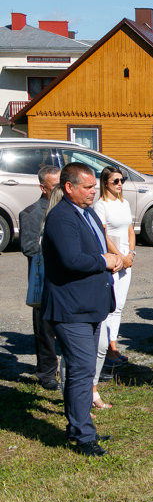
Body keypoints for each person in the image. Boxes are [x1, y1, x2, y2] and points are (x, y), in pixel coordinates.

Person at [41, 162, 123, 456]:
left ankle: (78, 425)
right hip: (70, 308)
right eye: (87, 187)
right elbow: (71, 260)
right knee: (81, 370)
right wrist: (105, 261)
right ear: (68, 188)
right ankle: (84, 436)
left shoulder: (86, 212)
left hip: (90, 305)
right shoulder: (61, 217)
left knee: (82, 370)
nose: (93, 192)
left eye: (93, 186)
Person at [89, 167, 136, 409]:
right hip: (114, 259)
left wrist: (132, 253)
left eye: (122, 180)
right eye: (115, 181)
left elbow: (130, 229)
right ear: (105, 183)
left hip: (127, 258)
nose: (120, 184)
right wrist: (120, 257)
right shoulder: (101, 206)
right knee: (110, 304)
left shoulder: (124, 202)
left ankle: (113, 345)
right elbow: (104, 235)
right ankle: (108, 348)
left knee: (120, 306)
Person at [19, 165, 61, 390]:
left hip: (65, 279)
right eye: (55, 186)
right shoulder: (31, 213)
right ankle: (46, 372)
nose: (60, 190)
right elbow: (28, 248)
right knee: (44, 327)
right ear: (43, 188)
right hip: (43, 280)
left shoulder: (68, 208)